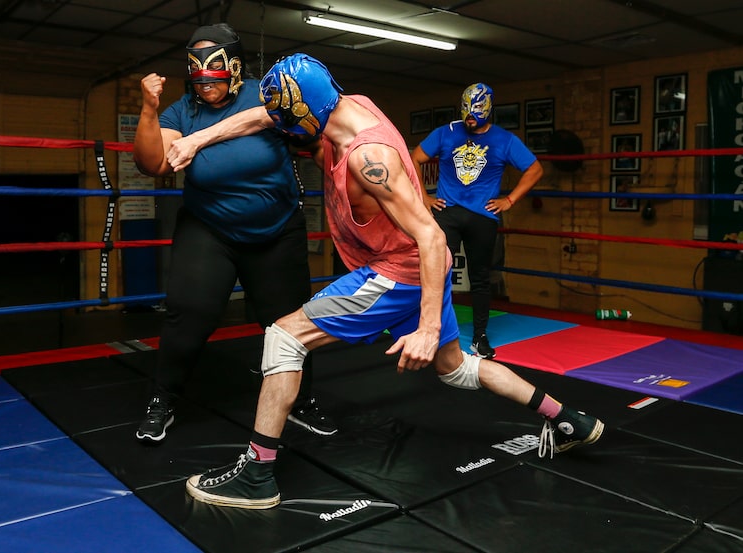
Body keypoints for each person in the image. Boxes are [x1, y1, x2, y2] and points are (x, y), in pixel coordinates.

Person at [174, 54, 604, 509]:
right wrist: (196, 140)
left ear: (307, 113)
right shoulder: (347, 105)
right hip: (412, 273)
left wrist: (428, 329)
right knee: (457, 369)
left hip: (398, 273)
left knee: (283, 337)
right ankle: (568, 418)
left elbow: (433, 238)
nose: (282, 128)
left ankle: (258, 476)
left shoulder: (368, 159)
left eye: (287, 120)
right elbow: (265, 115)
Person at [131, 25, 337, 444]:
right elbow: (153, 165)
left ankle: (300, 400)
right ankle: (163, 399)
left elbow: (297, 119)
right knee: (188, 316)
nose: (206, 85)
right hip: (210, 228)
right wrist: (149, 110)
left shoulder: (266, 92)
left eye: (214, 74)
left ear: (235, 66)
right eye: (199, 76)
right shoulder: (182, 111)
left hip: (277, 230)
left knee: (290, 322)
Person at [410, 83, 543, 359]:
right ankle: (429, 331)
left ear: (488, 109)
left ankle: (479, 337)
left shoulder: (504, 140)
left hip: (483, 216)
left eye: (475, 113)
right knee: (436, 272)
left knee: (480, 278)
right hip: (448, 213)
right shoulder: (446, 132)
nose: (469, 118)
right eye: (466, 112)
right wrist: (424, 198)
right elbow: (414, 158)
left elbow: (535, 168)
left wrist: (510, 200)